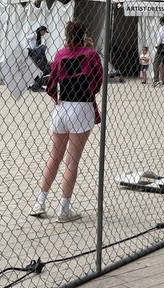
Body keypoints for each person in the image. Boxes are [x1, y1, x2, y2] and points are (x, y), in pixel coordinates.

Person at [30, 21, 104, 223]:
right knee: (72, 161)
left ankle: (40, 202)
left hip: (62, 107)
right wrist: (90, 50)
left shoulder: (60, 54)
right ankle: (64, 209)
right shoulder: (91, 55)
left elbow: (52, 81)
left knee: (54, 157)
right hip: (82, 107)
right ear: (84, 36)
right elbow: (98, 82)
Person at [27, 25, 50, 92]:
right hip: (31, 53)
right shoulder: (34, 34)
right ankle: (37, 84)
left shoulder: (39, 37)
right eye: (44, 32)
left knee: (33, 69)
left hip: (35, 54)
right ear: (41, 31)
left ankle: (35, 84)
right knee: (33, 69)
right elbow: (26, 39)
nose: (44, 33)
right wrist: (28, 47)